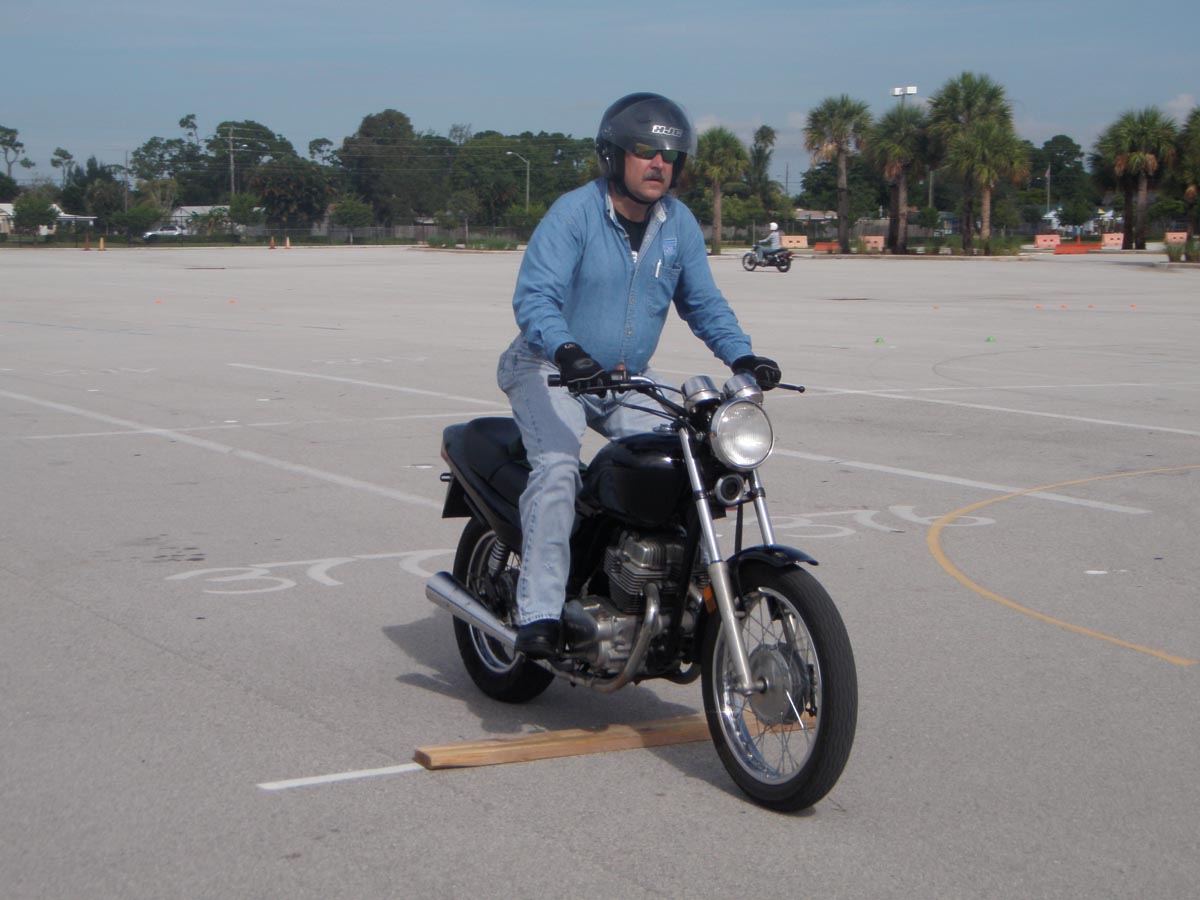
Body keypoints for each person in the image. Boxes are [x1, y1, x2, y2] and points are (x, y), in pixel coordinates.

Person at [497, 92, 782, 659]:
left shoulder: (678, 224)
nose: (659, 164)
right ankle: (540, 613)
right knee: (557, 470)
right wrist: (567, 350)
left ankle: (674, 591)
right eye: (645, 151)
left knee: (690, 459)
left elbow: (703, 303)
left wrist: (742, 357)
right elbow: (535, 298)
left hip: (626, 378)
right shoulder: (574, 214)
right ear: (614, 155)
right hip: (550, 368)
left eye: (669, 155)